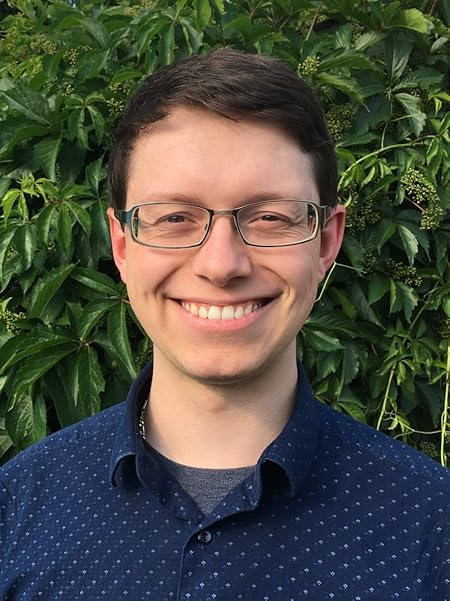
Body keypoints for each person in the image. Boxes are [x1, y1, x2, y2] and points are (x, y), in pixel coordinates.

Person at [1, 48, 449, 600]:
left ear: (326, 243)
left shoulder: (434, 526)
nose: (220, 265)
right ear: (122, 245)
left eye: (269, 217)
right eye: (174, 217)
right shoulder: (15, 509)